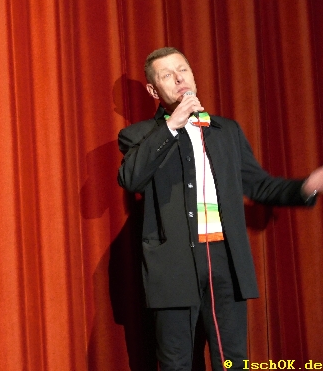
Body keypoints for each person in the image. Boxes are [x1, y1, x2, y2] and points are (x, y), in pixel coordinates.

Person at [117, 47, 323, 371]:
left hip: (226, 259)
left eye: (183, 70)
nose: (179, 78)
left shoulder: (226, 131)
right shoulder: (139, 136)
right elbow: (131, 178)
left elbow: (259, 185)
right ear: (154, 91)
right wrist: (172, 126)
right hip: (174, 265)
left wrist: (304, 187)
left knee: (233, 361)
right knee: (175, 363)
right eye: (168, 75)